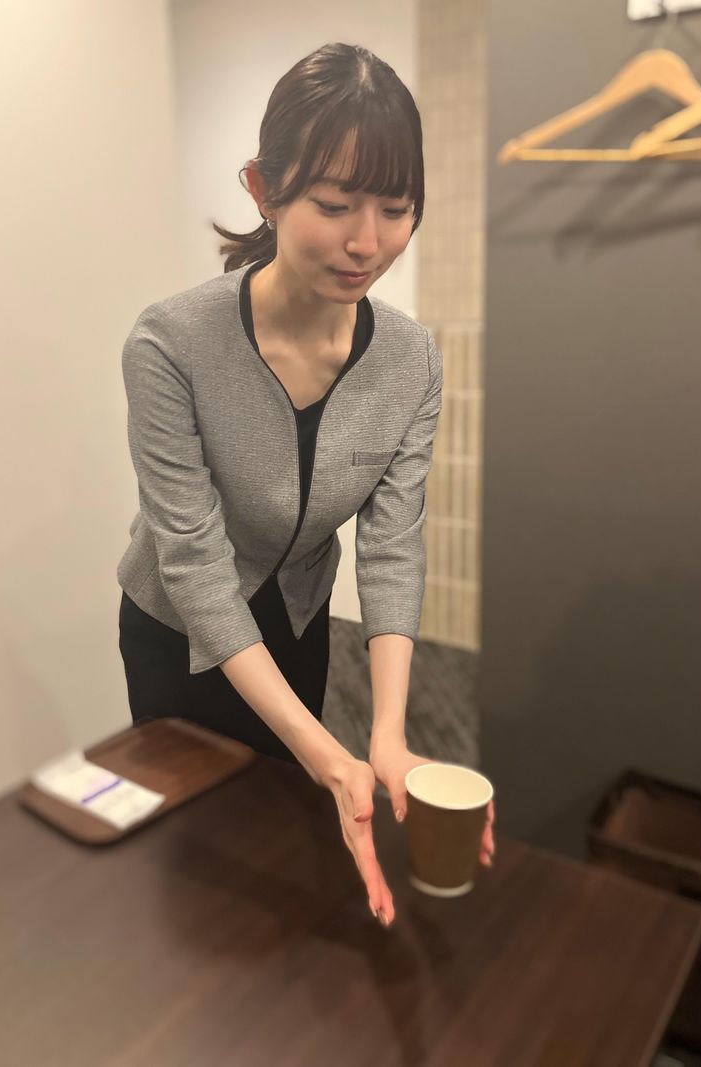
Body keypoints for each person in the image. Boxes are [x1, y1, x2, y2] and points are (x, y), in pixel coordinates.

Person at [117, 42, 495, 929]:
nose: (367, 242)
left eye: (395, 209)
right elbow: (195, 566)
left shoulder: (411, 360)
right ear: (264, 189)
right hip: (177, 633)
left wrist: (386, 735)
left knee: (288, 848)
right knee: (197, 865)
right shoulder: (171, 345)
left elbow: (392, 545)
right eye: (334, 205)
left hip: (296, 621)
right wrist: (327, 752)